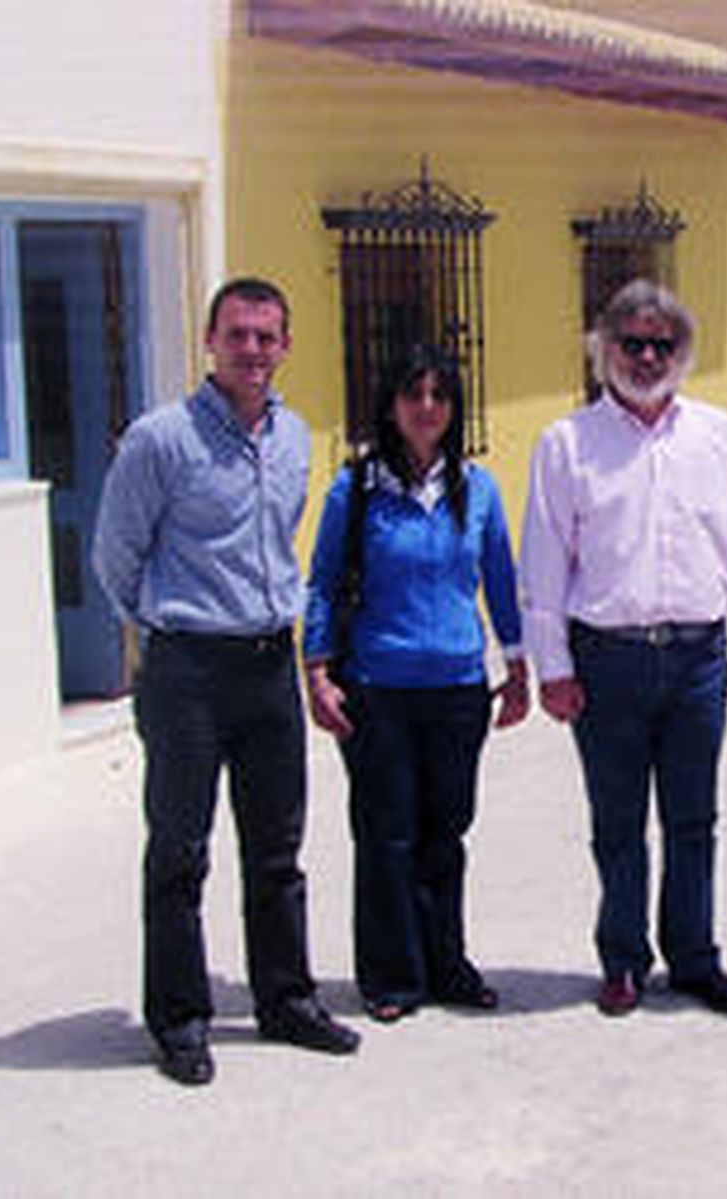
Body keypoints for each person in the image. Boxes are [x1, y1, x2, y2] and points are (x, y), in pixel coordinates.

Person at [93, 277, 359, 1087]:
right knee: (180, 850)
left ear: (285, 346)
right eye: (237, 333)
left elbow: (279, 545)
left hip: (267, 665)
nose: (252, 349)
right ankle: (179, 1019)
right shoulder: (160, 440)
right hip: (188, 672)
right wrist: (166, 627)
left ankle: (286, 999)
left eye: (266, 336)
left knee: (277, 848)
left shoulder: (294, 436)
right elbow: (115, 555)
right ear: (210, 340)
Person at [520, 280, 727, 1018]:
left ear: (681, 354)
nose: (645, 357)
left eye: (661, 345)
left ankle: (694, 959)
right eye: (630, 343)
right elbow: (544, 563)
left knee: (694, 820)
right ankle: (623, 960)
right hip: (607, 660)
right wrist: (552, 667)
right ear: (603, 349)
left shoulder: (717, 435)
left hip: (698, 657)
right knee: (617, 824)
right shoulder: (567, 443)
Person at [302, 346, 528, 1024]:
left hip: (458, 687)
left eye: (439, 395)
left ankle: (446, 965)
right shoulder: (356, 489)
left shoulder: (477, 488)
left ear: (454, 407)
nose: (426, 407)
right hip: (379, 687)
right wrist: (317, 671)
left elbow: (500, 578)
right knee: (387, 833)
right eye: (413, 393)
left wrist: (518, 666)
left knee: (445, 833)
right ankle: (391, 976)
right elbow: (322, 582)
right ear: (391, 404)